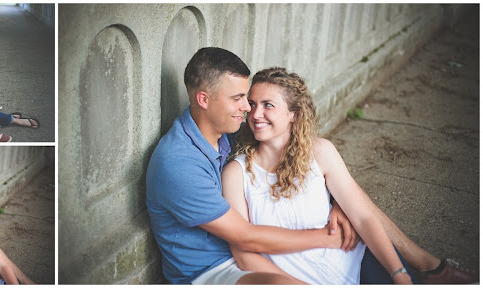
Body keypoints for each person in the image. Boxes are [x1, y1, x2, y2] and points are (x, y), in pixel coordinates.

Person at [146, 47, 478, 285]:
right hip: (218, 267)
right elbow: (245, 239)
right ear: (204, 100)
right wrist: (324, 236)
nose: (249, 109)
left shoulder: (224, 134)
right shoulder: (182, 163)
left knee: (355, 204)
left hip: (293, 253)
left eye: (254, 100)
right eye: (241, 100)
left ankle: (423, 265)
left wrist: (336, 204)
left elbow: (305, 164)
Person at [223, 67, 413, 284]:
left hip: (352, 262)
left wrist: (399, 273)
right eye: (253, 104)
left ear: (293, 113)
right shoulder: (237, 174)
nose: (256, 114)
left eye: (268, 105)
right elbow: (244, 256)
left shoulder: (319, 152)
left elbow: (363, 217)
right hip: (297, 280)